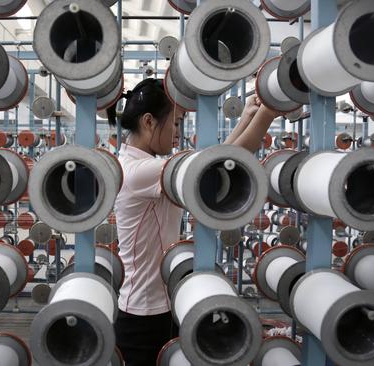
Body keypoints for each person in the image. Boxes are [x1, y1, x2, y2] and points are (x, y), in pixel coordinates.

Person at [106, 77, 280, 366]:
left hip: (160, 306)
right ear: (149, 122)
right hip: (145, 318)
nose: (177, 133)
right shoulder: (141, 171)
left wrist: (248, 117)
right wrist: (268, 113)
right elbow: (220, 163)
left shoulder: (138, 163)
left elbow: (214, 160)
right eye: (175, 123)